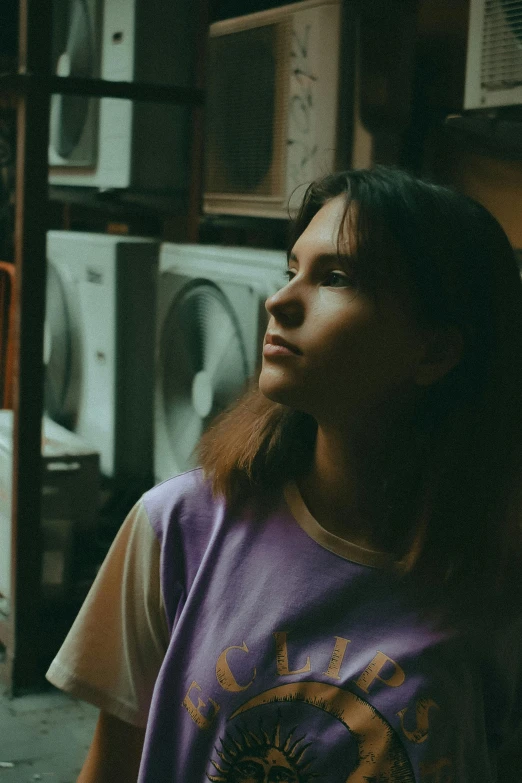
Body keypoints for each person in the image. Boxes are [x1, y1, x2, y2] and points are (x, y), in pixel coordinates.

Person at [47, 166, 522, 782]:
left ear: (433, 351)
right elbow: (110, 768)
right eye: (291, 268)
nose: (281, 300)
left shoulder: (499, 569)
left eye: (337, 277)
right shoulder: (180, 528)